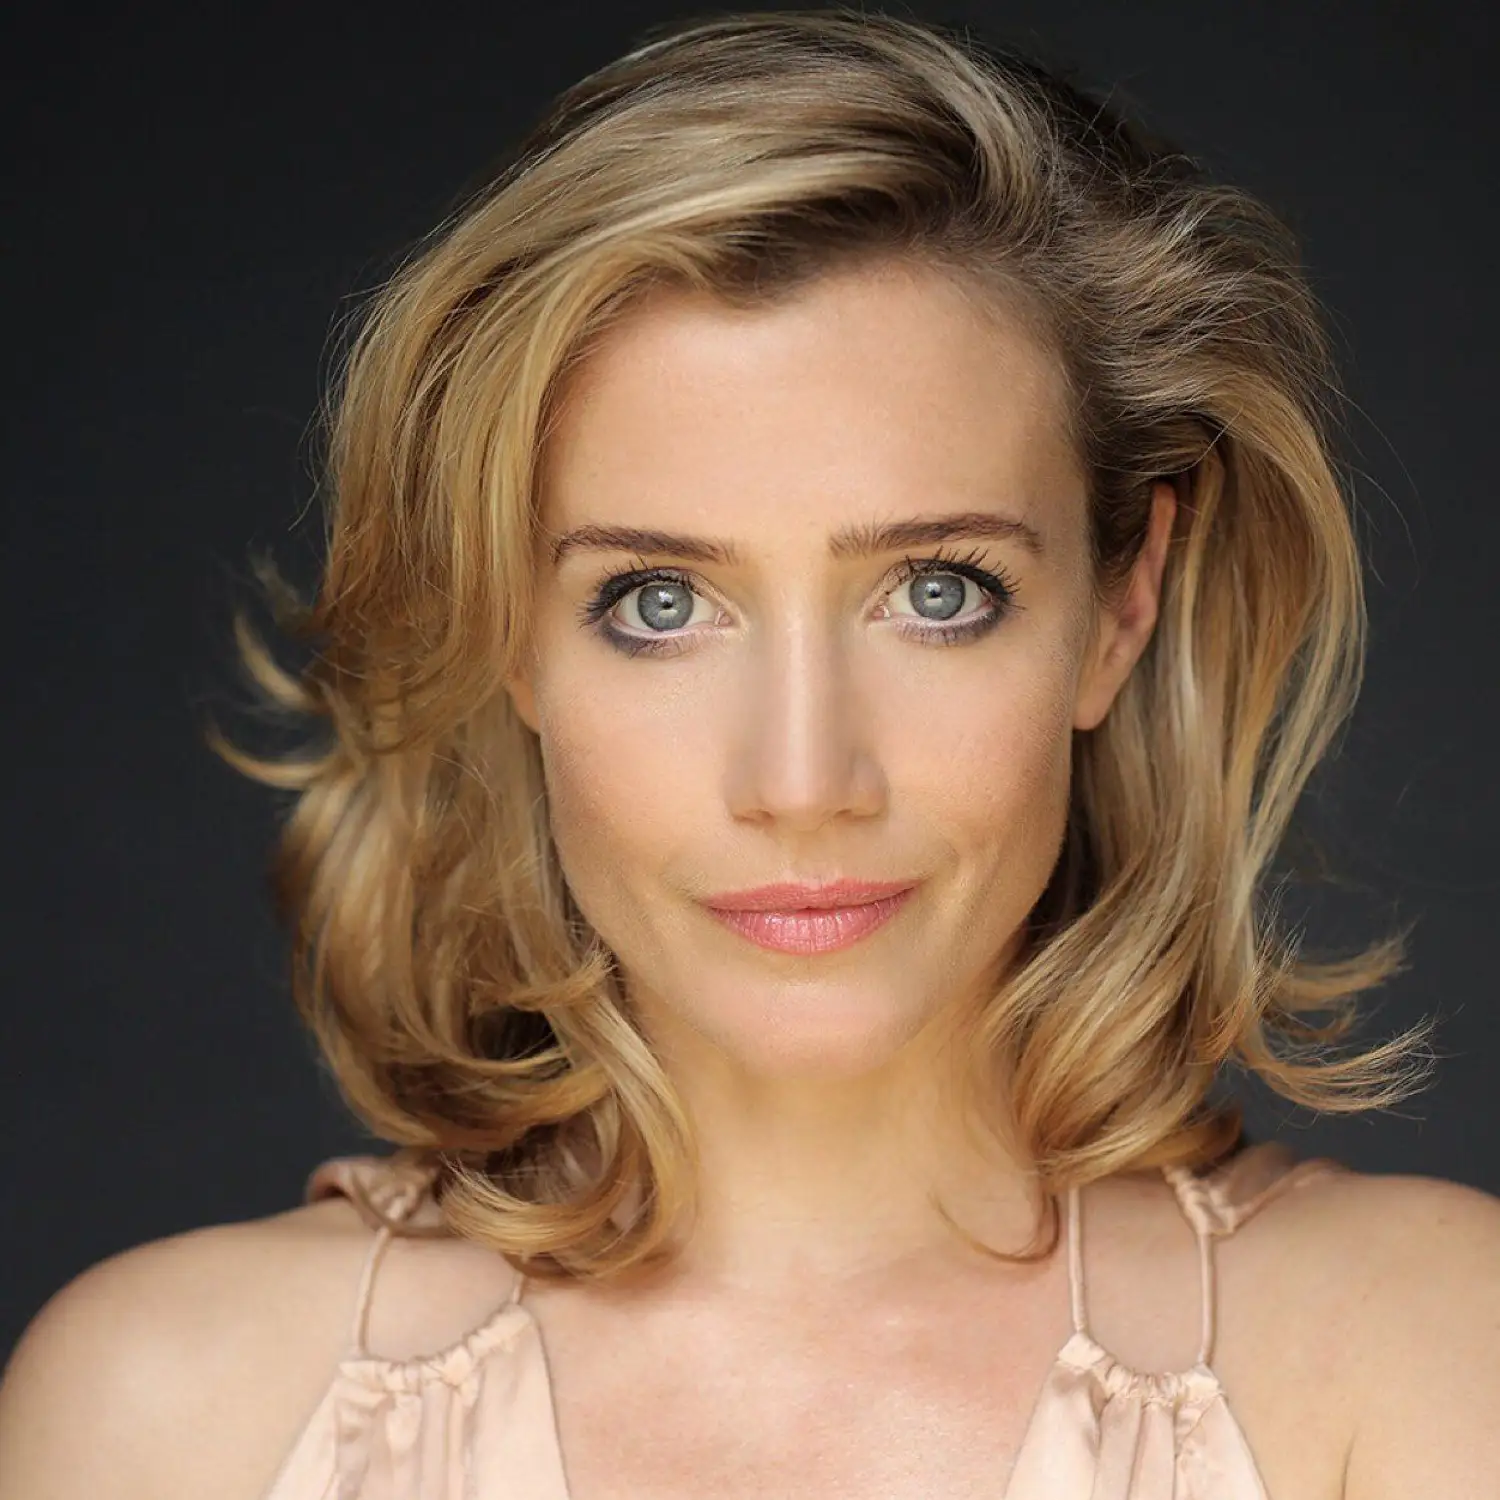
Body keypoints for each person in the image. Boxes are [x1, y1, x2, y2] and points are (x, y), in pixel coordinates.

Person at [2, 8, 1497, 1498]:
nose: (801, 781)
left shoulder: (1427, 1356)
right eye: (658, 602)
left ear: (1122, 606)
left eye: (937, 593)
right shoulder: (163, 1416)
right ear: (507, 632)